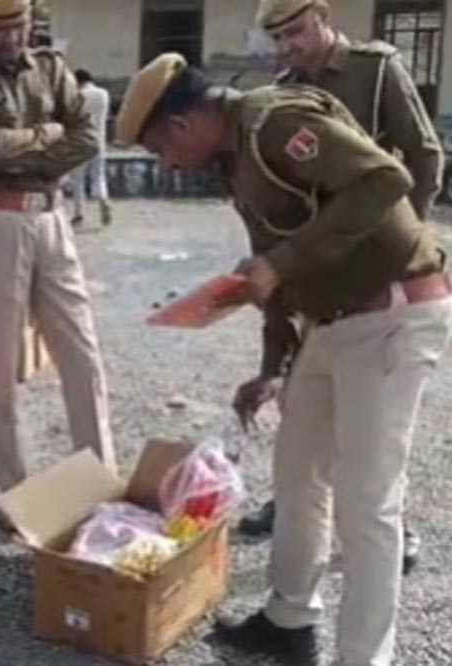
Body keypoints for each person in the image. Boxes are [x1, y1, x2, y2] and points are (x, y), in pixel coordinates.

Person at [116, 52, 452, 666]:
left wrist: (283, 264)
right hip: (332, 320)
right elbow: (271, 268)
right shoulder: (235, 157)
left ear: (183, 125)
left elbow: (385, 180)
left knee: (367, 504)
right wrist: (272, 366)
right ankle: (289, 618)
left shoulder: (275, 122)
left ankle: (364, 658)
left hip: (392, 314)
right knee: (298, 475)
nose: (168, 165)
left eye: (162, 149)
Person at [236, 0, 444, 574]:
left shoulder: (374, 70)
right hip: (318, 265)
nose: (290, 46)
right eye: (280, 38)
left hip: (380, 260)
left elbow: (423, 155)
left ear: (323, 16)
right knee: (307, 390)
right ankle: (295, 506)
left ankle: (392, 524)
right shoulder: (284, 91)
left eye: (297, 31)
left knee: (378, 416)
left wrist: (405, 238)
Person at [0, 0, 117, 496]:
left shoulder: (51, 69)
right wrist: (48, 135)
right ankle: (17, 493)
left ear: (29, 22)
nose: (10, 38)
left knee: (82, 352)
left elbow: (86, 138)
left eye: (16, 26)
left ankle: (100, 480)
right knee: (1, 365)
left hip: (52, 218)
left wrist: (24, 151)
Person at [69, 69, 113, 227]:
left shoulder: (76, 96)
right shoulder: (103, 94)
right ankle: (103, 198)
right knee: (99, 176)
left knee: (78, 180)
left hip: (80, 142)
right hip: (98, 141)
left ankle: (78, 213)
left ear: (78, 81)